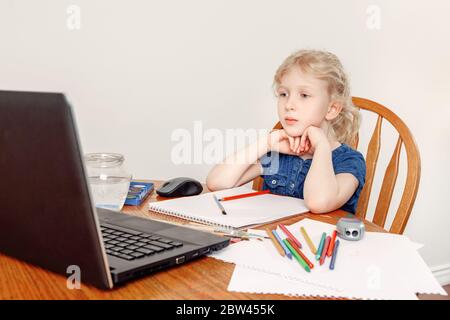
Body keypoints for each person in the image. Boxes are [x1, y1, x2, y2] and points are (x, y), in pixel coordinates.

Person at [206, 49, 366, 214]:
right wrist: (266, 143)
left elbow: (318, 202)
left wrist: (322, 148)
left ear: (332, 108)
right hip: (272, 237)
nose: (289, 104)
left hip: (317, 239)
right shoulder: (278, 153)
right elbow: (217, 182)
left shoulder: (349, 161)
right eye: (283, 94)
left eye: (304, 95)